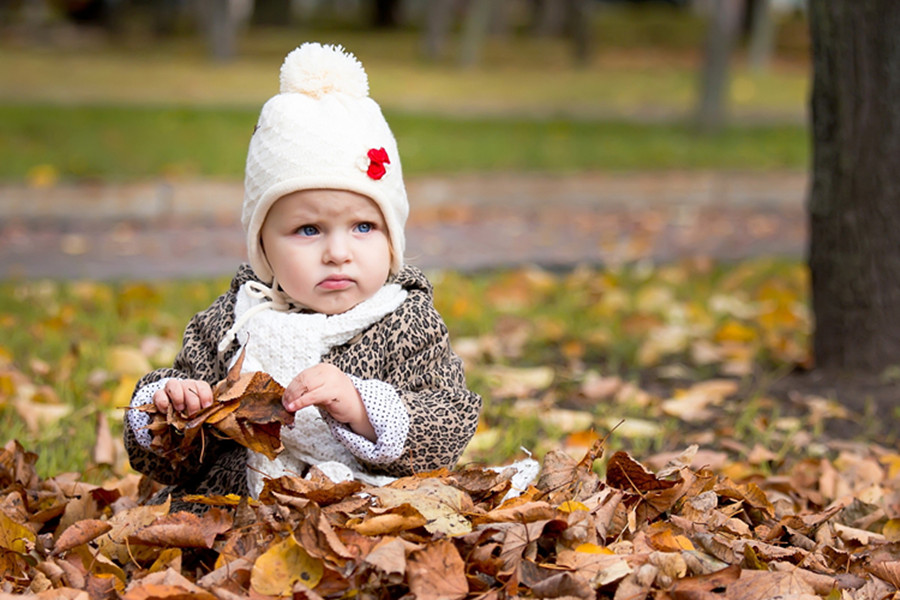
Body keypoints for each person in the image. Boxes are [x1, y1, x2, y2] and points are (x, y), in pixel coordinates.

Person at [123, 42, 482, 506]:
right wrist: (174, 411)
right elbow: (163, 463)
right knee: (183, 514)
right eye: (308, 230)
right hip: (235, 510)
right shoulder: (234, 322)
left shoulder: (405, 322)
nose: (338, 253)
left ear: (393, 238)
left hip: (362, 507)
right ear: (263, 247)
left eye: (364, 227)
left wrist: (363, 408)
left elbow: (449, 422)